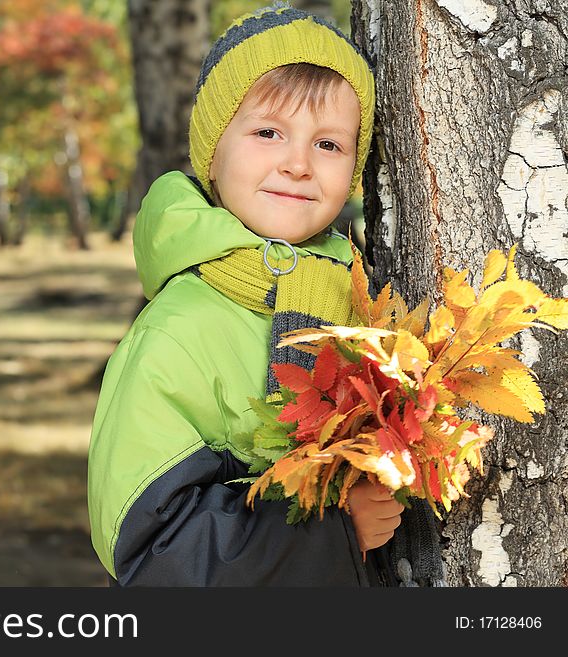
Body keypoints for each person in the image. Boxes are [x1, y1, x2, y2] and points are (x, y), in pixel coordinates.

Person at [87, 2, 445, 586]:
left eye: (329, 144)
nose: (298, 163)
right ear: (213, 150)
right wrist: (332, 529)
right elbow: (152, 549)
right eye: (268, 132)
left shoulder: (361, 308)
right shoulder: (178, 331)